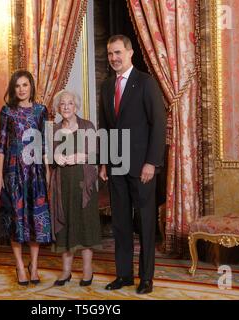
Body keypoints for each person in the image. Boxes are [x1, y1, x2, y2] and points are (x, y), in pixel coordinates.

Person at [98, 35, 166, 294]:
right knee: (121, 223)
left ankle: (146, 278)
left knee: (146, 221)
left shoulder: (146, 83)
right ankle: (124, 275)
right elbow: (105, 126)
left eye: (118, 53)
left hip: (142, 167)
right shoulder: (106, 87)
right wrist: (104, 161)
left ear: (130, 53)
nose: (113, 58)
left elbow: (158, 125)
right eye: (110, 54)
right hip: (116, 165)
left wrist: (151, 163)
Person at [0, 70, 52, 286]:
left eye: (25, 85)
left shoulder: (40, 111)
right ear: (13, 88)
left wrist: (47, 170)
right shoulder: (7, 111)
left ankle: (34, 266)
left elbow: (44, 144)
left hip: (35, 170)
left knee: (35, 219)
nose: (21, 89)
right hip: (13, 170)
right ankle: (19, 266)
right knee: (16, 219)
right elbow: (0, 146)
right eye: (17, 86)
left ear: (31, 87)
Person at [49, 90, 102, 287]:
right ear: (58, 108)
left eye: (70, 103)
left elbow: (97, 155)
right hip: (62, 185)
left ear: (76, 106)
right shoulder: (54, 130)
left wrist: (82, 157)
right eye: (62, 104)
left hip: (83, 185)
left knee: (85, 226)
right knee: (66, 225)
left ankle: (88, 270)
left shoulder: (87, 126)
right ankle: (66, 271)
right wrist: (55, 158)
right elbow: (48, 158)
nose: (66, 107)